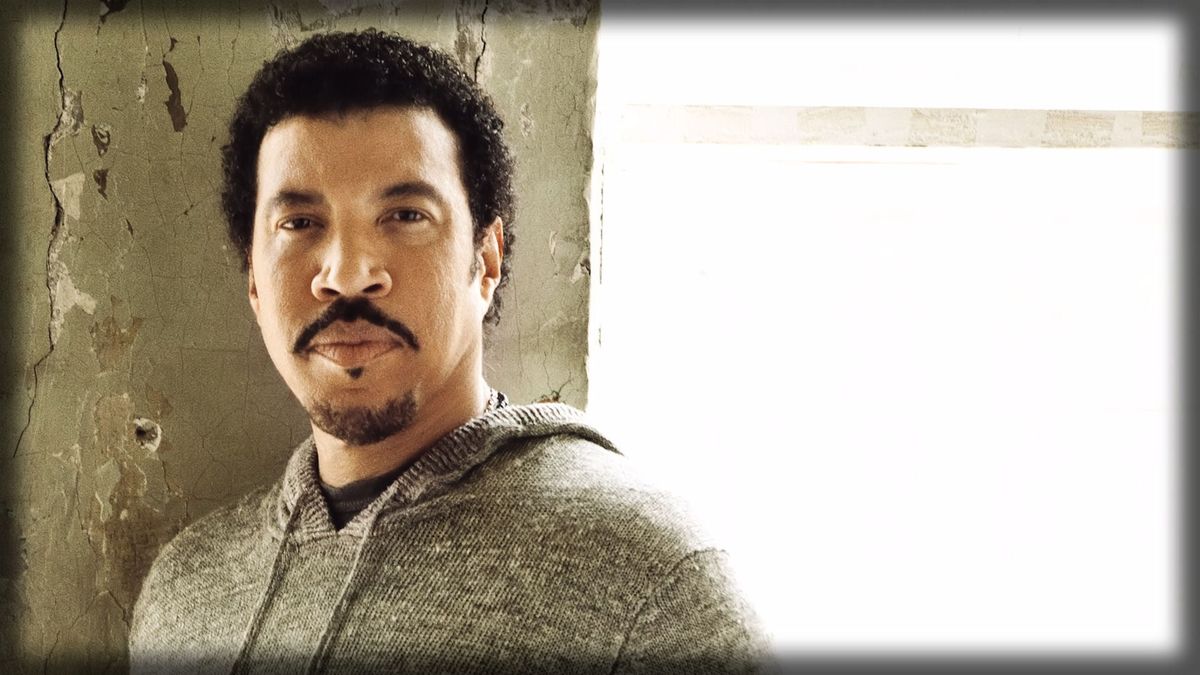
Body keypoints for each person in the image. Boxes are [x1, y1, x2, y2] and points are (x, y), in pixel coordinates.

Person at [129, 29, 769, 673]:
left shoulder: (649, 580)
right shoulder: (184, 591)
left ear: (485, 261)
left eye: (406, 216)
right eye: (299, 223)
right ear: (254, 281)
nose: (346, 276)